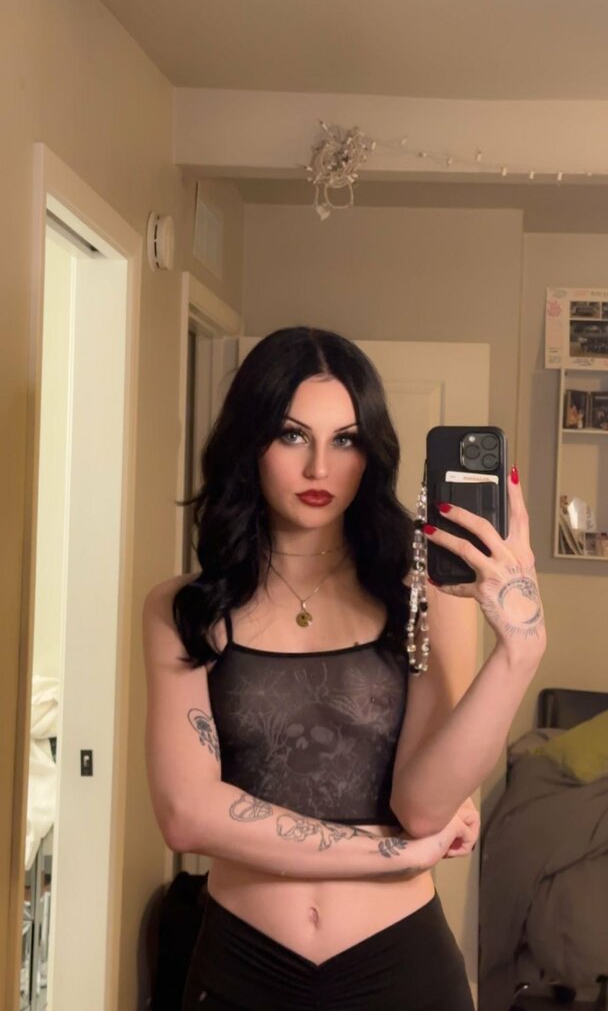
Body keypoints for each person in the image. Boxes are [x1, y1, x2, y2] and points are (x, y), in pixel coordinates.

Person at [143, 326, 546, 1011]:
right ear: (250, 442)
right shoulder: (184, 608)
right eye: (292, 435)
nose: (319, 468)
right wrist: (394, 854)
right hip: (240, 969)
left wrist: (521, 650)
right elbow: (187, 816)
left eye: (347, 440)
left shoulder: (423, 595)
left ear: (372, 452)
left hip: (402, 971)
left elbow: (424, 807)